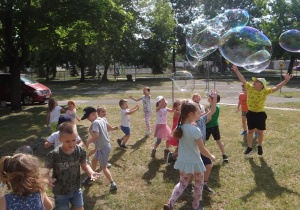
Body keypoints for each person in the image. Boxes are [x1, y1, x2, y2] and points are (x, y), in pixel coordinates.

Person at [163, 100, 216, 210]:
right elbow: (202, 149)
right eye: (198, 113)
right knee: (198, 185)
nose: (199, 115)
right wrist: (211, 157)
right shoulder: (195, 130)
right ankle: (195, 206)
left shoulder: (180, 128)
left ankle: (170, 203)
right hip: (196, 163)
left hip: (183, 162)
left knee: (182, 184)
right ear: (191, 114)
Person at [232, 65, 293, 155]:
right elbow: (243, 79)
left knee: (260, 132)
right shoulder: (250, 88)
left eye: (257, 82)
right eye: (254, 81)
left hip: (260, 114)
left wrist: (285, 80)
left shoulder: (265, 91)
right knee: (250, 131)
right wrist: (236, 71)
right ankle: (249, 147)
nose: (254, 82)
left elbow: (276, 88)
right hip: (251, 113)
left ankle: (259, 146)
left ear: (262, 85)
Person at [45, 122, 101, 209]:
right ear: (60, 139)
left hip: (76, 189)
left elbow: (84, 165)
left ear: (77, 136)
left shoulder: (81, 151)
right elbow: (46, 170)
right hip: (60, 191)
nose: (71, 144)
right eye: (67, 141)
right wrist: (48, 180)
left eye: (74, 140)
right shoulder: (54, 154)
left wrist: (91, 173)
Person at [81, 106, 117, 190]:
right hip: (102, 147)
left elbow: (96, 135)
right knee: (93, 161)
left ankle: (112, 183)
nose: (87, 119)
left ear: (93, 114)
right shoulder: (102, 119)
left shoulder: (95, 123)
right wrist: (112, 128)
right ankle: (91, 176)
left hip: (103, 148)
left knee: (103, 167)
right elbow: (106, 126)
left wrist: (88, 142)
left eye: (87, 117)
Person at [206, 93, 228, 162]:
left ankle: (202, 155)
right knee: (219, 141)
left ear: (213, 100)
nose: (208, 97)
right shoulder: (217, 107)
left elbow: (208, 118)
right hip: (215, 126)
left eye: (210, 97)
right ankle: (224, 155)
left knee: (202, 142)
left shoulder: (210, 108)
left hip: (208, 127)